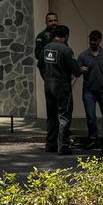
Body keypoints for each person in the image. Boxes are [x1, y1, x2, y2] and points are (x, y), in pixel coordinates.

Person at [42, 24, 80, 155]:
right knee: (64, 115)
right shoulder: (66, 50)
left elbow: (40, 65)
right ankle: (63, 146)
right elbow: (75, 70)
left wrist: (47, 79)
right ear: (66, 36)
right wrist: (81, 70)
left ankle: (50, 144)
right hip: (62, 86)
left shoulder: (46, 47)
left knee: (51, 115)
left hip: (48, 85)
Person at [77, 30, 103, 150]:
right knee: (90, 116)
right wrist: (80, 70)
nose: (92, 42)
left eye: (95, 40)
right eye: (91, 40)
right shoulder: (83, 56)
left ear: (100, 41)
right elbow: (76, 73)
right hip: (89, 91)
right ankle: (93, 139)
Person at [34, 12, 59, 137]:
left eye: (55, 20)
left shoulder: (61, 35)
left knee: (62, 108)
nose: (53, 23)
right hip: (49, 75)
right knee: (51, 107)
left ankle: (63, 131)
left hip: (61, 76)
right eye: (51, 21)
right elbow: (38, 55)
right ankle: (52, 133)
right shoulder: (41, 36)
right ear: (46, 22)